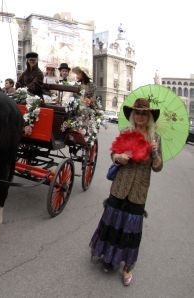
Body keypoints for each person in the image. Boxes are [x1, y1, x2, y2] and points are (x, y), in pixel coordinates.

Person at [89, 98, 163, 286]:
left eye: (143, 113)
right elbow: (113, 154)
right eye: (137, 113)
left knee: (131, 229)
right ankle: (108, 257)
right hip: (120, 186)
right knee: (112, 222)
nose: (140, 116)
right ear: (133, 115)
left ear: (149, 117)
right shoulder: (125, 133)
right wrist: (118, 157)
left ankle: (128, 266)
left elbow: (158, 167)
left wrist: (154, 153)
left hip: (139, 190)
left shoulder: (155, 139)